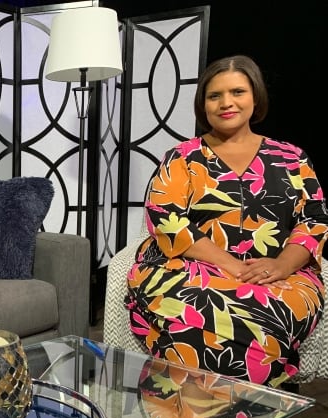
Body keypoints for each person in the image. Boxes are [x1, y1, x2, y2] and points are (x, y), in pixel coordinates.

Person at [126, 54, 328, 389]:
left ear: (255, 97)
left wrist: (281, 266)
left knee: (266, 323)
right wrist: (232, 266)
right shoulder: (182, 157)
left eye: (237, 92)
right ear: (202, 103)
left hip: (277, 274)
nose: (226, 103)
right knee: (191, 323)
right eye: (214, 95)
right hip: (187, 266)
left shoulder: (292, 157)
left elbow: (314, 220)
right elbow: (166, 220)